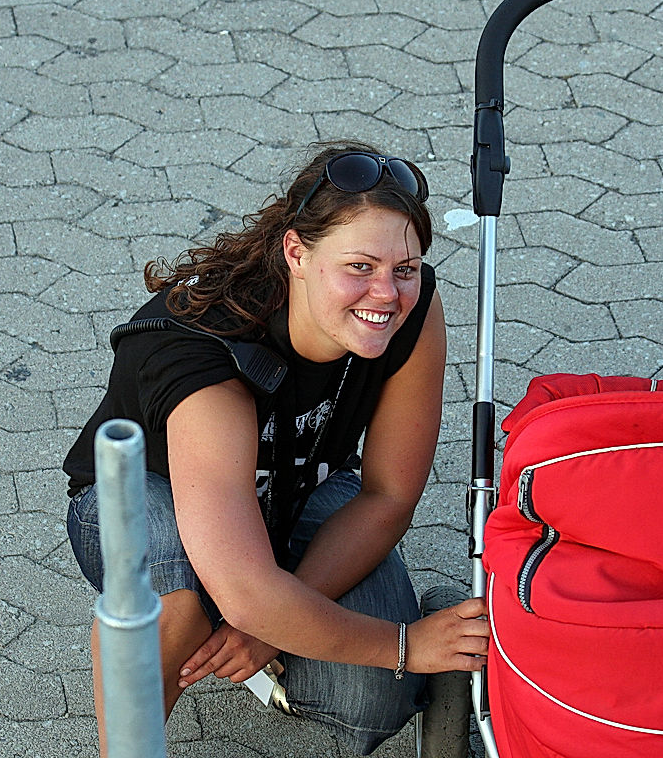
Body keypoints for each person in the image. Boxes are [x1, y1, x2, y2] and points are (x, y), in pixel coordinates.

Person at [63, 141, 488, 756]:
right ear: (296, 252)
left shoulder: (410, 311)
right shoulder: (208, 354)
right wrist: (404, 645)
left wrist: (268, 623)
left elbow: (389, 494)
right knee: (177, 601)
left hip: (297, 486)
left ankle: (269, 642)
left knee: (373, 700)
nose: (387, 294)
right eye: (360, 268)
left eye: (406, 268)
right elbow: (245, 589)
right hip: (153, 498)